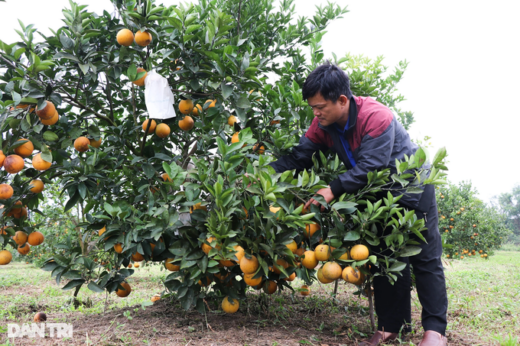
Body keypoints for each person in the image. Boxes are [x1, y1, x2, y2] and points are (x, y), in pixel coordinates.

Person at [268, 62, 448, 346]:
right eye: (312, 108)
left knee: (424, 258)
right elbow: (299, 157)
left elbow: (371, 165)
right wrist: (262, 174)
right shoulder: (323, 124)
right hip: (379, 197)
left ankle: (435, 331)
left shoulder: (376, 116)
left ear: (342, 100)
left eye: (320, 107)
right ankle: (393, 326)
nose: (315, 114)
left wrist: (330, 190)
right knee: (386, 258)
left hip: (412, 188)